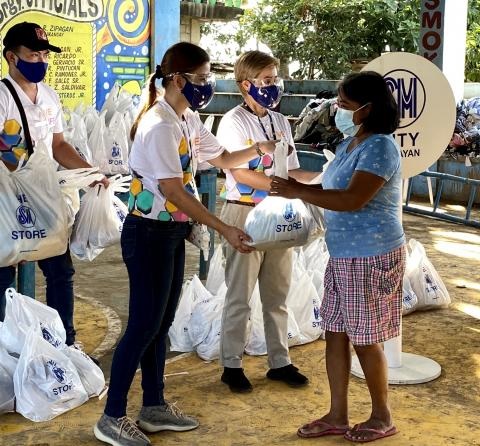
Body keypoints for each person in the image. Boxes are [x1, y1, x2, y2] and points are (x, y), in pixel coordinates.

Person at [93, 42, 279, 446]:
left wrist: (260, 149)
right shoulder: (159, 124)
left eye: (210, 76)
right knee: (143, 325)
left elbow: (224, 158)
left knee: (160, 325)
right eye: (202, 78)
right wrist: (222, 227)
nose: (208, 84)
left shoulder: (186, 118)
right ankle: (111, 416)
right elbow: (175, 192)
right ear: (177, 79)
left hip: (172, 234)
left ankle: (154, 405)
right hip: (148, 234)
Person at [270, 71, 406, 443]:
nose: (337, 110)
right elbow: (328, 183)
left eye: (345, 105)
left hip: (371, 254)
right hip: (344, 253)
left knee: (365, 338)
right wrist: (286, 175)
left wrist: (297, 191)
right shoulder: (351, 143)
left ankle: (381, 416)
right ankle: (337, 414)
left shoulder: (380, 147)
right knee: (336, 333)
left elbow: (352, 199)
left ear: (368, 108)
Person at [216, 50, 319, 394]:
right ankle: (232, 364)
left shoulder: (280, 122)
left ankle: (280, 361)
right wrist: (283, 186)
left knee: (277, 292)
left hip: (280, 213)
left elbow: (291, 170)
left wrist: (322, 178)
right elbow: (239, 171)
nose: (274, 86)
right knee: (240, 295)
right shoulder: (232, 121)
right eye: (268, 80)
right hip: (244, 212)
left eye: (276, 79)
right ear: (246, 84)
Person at [0, 22, 108, 347]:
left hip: (45, 199)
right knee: (6, 274)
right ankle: (8, 350)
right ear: (11, 57)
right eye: (33, 54)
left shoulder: (49, 95)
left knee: (60, 271)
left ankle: (66, 342)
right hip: (9, 202)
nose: (41, 61)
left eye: (45, 54)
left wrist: (91, 172)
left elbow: (59, 145)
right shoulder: (2, 97)